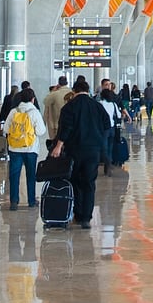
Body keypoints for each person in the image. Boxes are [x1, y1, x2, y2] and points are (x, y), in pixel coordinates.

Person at [52, 80, 114, 227]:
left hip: (75, 149)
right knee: (89, 182)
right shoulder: (97, 106)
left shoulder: (69, 107)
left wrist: (58, 146)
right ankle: (86, 218)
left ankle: (77, 213)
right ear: (88, 90)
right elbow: (107, 125)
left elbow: (66, 128)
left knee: (75, 181)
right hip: (93, 150)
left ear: (74, 90)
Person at [2, 85, 49, 211]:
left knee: (14, 175)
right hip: (30, 149)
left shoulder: (13, 112)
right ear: (33, 99)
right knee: (30, 175)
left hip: (15, 148)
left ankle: (14, 201)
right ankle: (31, 201)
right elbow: (41, 131)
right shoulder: (34, 113)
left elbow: (6, 129)